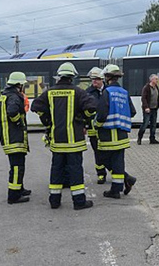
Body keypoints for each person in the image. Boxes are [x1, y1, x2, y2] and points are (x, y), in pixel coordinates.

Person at [31, 62, 97, 210]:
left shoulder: (49, 92)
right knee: (75, 171)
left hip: (57, 141)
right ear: (72, 77)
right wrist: (83, 119)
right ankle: (79, 202)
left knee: (57, 170)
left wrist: (47, 120)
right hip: (74, 142)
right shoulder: (78, 92)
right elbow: (92, 107)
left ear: (59, 77)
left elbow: (35, 106)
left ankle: (54, 201)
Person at [94, 64, 137, 199]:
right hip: (122, 134)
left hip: (108, 134)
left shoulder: (107, 92)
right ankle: (119, 187)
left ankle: (124, 182)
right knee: (118, 162)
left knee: (102, 159)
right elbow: (133, 112)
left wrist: (96, 125)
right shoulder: (124, 92)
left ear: (107, 77)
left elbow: (101, 115)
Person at [0, 72, 31, 204]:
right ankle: (14, 195)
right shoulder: (14, 97)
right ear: (19, 85)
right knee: (17, 167)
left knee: (18, 164)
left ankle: (19, 188)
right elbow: (12, 112)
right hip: (13, 137)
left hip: (9, 136)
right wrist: (19, 123)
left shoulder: (5, 95)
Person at [85, 67, 108, 184]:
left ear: (102, 80)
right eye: (93, 79)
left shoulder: (108, 91)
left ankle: (114, 171)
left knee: (108, 152)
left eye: (97, 79)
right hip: (93, 129)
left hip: (107, 127)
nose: (94, 82)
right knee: (97, 152)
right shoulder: (88, 92)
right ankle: (101, 174)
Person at [137, 74, 159, 145]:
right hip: (148, 109)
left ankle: (152, 139)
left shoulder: (156, 87)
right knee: (145, 123)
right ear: (151, 80)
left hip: (154, 108)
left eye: (157, 79)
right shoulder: (146, 88)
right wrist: (146, 107)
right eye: (156, 79)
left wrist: (157, 106)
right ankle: (139, 138)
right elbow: (143, 98)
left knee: (153, 124)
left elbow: (157, 97)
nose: (157, 80)